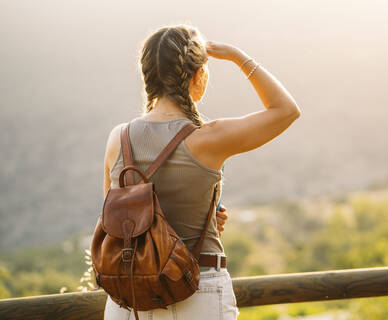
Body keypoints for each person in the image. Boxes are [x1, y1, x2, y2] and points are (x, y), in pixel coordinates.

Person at [102, 23, 301, 320]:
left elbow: (114, 222)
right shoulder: (209, 137)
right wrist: (238, 56)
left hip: (129, 299)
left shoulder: (118, 138)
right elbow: (286, 110)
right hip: (197, 291)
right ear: (198, 76)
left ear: (148, 77)